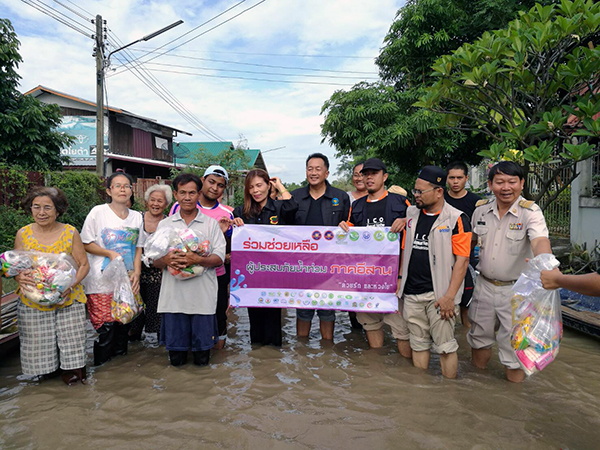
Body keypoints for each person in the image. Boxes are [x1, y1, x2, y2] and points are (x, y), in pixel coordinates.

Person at [468, 161, 552, 383]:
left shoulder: (530, 212)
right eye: (500, 182)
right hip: (483, 286)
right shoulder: (480, 211)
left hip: (517, 292)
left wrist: (545, 265)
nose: (506, 187)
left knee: (515, 348)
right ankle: (476, 387)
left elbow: (540, 241)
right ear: (490, 184)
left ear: (521, 183)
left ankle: (513, 398)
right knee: (478, 338)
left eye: (512, 182)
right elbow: (468, 243)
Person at [398, 166, 471, 378]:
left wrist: (449, 297)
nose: (417, 196)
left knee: (446, 346)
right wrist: (400, 281)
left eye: (421, 192)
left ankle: (450, 393)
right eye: (415, 191)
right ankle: (421, 391)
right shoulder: (411, 213)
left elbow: (462, 261)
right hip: (411, 293)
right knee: (418, 344)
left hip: (439, 296)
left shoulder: (456, 218)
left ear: (439, 191)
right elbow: (406, 249)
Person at [13, 187, 89, 385]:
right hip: (34, 301)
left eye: (47, 207)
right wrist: (19, 278)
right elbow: (15, 267)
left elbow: (83, 265)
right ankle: (47, 387)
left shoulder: (70, 232)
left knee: (73, 351)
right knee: (40, 354)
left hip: (68, 299)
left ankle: (74, 384)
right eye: (36, 207)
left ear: (58, 210)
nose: (41, 212)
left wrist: (71, 286)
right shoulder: (23, 234)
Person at [339, 158, 410, 356]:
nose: (369, 178)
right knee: (370, 324)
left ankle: (408, 372)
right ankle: (377, 367)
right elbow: (351, 237)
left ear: (384, 177)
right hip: (365, 278)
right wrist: (343, 228)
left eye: (374, 173)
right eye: (366, 174)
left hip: (393, 278)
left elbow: (416, 227)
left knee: (401, 329)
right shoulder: (358, 206)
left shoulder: (400, 202)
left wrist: (405, 219)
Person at [153, 173, 226, 366]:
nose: (187, 197)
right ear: (175, 195)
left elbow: (219, 258)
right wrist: (166, 259)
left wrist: (197, 259)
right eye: (182, 192)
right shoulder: (165, 225)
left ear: (198, 194)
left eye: (192, 192)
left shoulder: (211, 224)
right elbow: (152, 259)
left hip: (203, 301)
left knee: (203, 360)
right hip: (173, 301)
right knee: (176, 361)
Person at [81, 172, 143, 366]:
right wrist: (108, 253)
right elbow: (85, 243)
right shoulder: (98, 212)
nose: (122, 189)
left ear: (132, 191)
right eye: (117, 186)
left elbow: (138, 248)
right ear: (109, 190)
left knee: (123, 324)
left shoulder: (136, 217)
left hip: (126, 280)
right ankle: (101, 372)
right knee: (105, 328)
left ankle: (118, 376)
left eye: (126, 186)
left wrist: (137, 273)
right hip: (100, 281)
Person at [232, 169, 298, 347]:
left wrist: (279, 185)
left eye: (259, 185)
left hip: (275, 275)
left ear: (268, 185)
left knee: (273, 319)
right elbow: (232, 236)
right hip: (252, 275)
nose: (255, 191)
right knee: (255, 320)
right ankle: (257, 357)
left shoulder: (278, 208)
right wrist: (235, 224)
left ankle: (272, 358)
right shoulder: (241, 212)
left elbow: (293, 207)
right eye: (251, 187)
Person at [291, 153, 350, 340]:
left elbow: (353, 228)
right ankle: (302, 351)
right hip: (302, 266)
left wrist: (348, 228)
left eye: (318, 169)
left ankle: (327, 351)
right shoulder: (295, 197)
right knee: (303, 312)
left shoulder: (340, 197)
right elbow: (283, 228)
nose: (313, 173)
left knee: (327, 312)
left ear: (326, 173)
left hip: (330, 266)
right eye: (310, 169)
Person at [196, 165, 234, 349]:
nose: (214, 187)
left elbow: (229, 250)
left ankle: (219, 360)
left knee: (219, 315)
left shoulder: (227, 214)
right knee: (192, 313)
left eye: (220, 185)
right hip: (189, 273)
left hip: (217, 274)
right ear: (202, 180)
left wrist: (224, 234)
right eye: (211, 182)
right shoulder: (183, 205)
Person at [128, 184, 172, 342]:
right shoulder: (136, 219)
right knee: (133, 315)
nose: (156, 204)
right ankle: (134, 349)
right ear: (147, 202)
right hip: (135, 273)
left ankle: (158, 353)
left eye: (160, 201)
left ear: (166, 204)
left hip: (158, 275)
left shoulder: (169, 222)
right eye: (152, 200)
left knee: (158, 314)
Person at [444, 161, 482, 328]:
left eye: (459, 177)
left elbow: (480, 230)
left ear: (466, 178)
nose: (455, 181)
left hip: (467, 255)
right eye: (452, 178)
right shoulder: (440, 198)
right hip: (442, 256)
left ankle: (466, 339)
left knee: (467, 302)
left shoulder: (476, 202)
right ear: (446, 179)